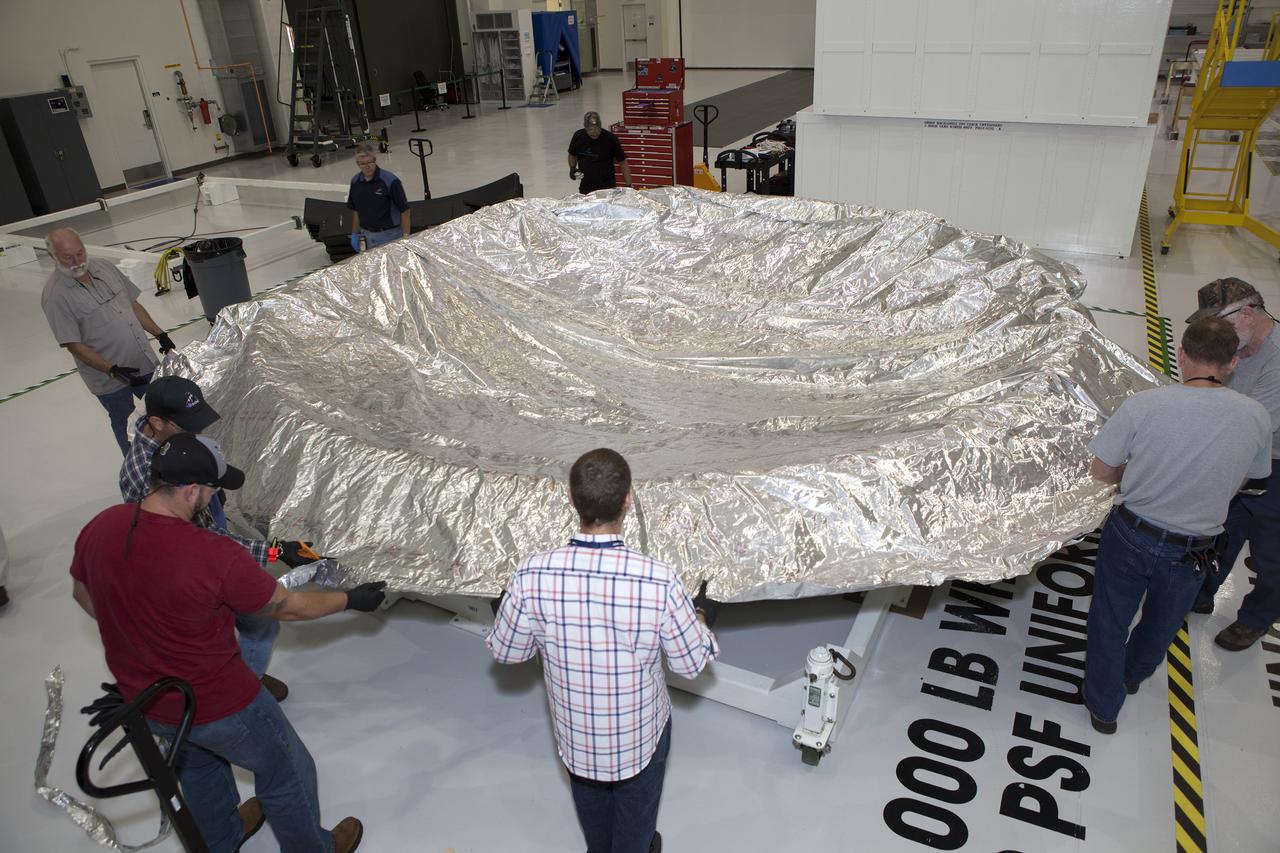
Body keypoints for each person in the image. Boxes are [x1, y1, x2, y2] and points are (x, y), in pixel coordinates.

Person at [71, 432, 383, 853]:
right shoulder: (210, 553)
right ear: (191, 489)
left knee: (198, 766)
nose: (214, 497)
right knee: (287, 768)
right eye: (212, 489)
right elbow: (287, 607)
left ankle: (221, 839)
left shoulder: (103, 525)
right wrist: (351, 599)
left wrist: (140, 630)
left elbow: (83, 594)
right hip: (218, 702)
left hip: (145, 700)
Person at [487, 448, 719, 853]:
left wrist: (510, 607)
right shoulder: (658, 580)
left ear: (571, 499)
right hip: (640, 738)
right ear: (628, 500)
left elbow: (508, 653)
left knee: (593, 816)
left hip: (576, 737)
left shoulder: (531, 573)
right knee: (636, 821)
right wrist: (700, 615)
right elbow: (689, 663)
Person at [1082, 317, 1271, 734]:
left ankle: (1103, 707)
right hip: (1195, 550)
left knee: (1110, 620)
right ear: (1233, 363)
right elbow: (1252, 479)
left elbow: (1101, 471)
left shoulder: (1144, 405)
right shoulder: (1256, 416)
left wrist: (1136, 474)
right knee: (1162, 624)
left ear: (1181, 354)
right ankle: (1132, 677)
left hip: (1132, 534)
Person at [119, 375, 309, 702]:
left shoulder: (171, 443)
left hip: (208, 536)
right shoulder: (146, 479)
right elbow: (206, 545)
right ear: (157, 422)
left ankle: (244, 677)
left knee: (256, 622)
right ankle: (242, 688)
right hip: (189, 570)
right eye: (187, 426)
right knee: (258, 621)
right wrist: (276, 552)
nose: (195, 433)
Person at [1186, 278, 1280, 650]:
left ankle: (1256, 619)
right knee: (1222, 532)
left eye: (1220, 321)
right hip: (1243, 455)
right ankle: (1202, 592)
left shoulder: (1277, 358)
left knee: (1271, 553)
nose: (1216, 333)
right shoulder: (1237, 347)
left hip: (1273, 464)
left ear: (1247, 313)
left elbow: (1254, 426)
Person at [41, 227, 175, 455]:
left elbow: (132, 304)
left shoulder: (104, 267)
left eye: (80, 253)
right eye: (68, 257)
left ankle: (173, 458)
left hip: (141, 360)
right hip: (108, 379)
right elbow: (74, 345)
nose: (77, 261)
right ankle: (137, 470)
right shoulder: (55, 296)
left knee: (163, 413)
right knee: (126, 424)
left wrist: (160, 334)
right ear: (52, 256)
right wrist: (112, 370)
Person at [347, 144, 411, 252]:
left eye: (369, 162)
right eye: (363, 163)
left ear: (375, 160)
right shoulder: (355, 182)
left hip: (390, 236)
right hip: (367, 236)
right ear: (358, 164)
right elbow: (356, 210)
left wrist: (405, 237)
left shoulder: (390, 181)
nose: (367, 166)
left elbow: (405, 211)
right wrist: (355, 234)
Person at [568, 111, 634, 194]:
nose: (594, 133)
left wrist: (629, 185)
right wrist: (572, 168)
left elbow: (623, 162)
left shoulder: (610, 139)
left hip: (607, 188)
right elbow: (572, 154)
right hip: (586, 187)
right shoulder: (578, 136)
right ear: (585, 127)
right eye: (591, 130)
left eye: (597, 130)